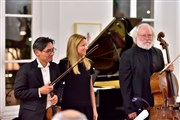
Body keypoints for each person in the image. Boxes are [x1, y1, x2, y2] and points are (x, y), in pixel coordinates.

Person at [119, 23, 174, 119]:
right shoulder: (128, 55)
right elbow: (125, 85)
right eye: (144, 36)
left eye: (149, 35)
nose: (147, 38)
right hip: (138, 105)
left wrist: (167, 70)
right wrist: (129, 109)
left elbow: (159, 78)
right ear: (136, 37)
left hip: (157, 103)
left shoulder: (158, 52)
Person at [14, 37, 61, 120]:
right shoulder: (25, 69)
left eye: (53, 50)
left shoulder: (55, 67)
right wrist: (39, 91)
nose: (52, 53)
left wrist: (57, 96)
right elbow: (18, 93)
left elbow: (59, 86)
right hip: (31, 115)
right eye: (48, 51)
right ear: (37, 52)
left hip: (51, 113)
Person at [58, 34, 98, 120]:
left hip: (86, 106)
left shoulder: (88, 63)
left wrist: (94, 110)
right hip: (70, 106)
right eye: (83, 45)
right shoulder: (64, 63)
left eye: (86, 45)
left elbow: (91, 88)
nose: (86, 48)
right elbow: (58, 85)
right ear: (74, 47)